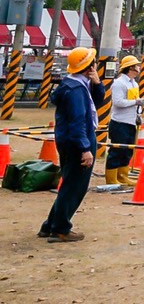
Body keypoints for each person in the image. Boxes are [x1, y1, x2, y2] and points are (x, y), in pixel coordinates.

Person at [40, 47, 104, 242]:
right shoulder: (76, 90)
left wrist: (97, 83)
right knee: (75, 186)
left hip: (68, 139)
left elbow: (96, 102)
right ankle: (61, 227)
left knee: (69, 182)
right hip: (78, 139)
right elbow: (78, 121)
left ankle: (50, 225)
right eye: (94, 63)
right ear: (88, 67)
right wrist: (85, 149)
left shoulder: (74, 84)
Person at [106, 55, 144, 186]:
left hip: (131, 121)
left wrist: (139, 115)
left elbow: (134, 103)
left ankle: (122, 176)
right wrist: (136, 101)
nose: (139, 68)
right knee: (117, 150)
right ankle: (111, 178)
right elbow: (118, 102)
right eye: (136, 66)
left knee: (128, 150)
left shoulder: (134, 84)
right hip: (119, 122)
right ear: (131, 68)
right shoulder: (119, 83)